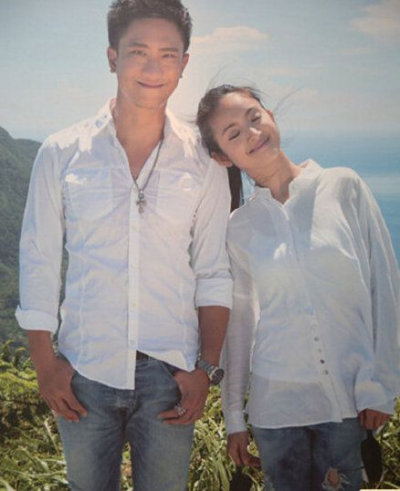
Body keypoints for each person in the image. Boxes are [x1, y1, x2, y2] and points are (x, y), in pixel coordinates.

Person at [16, 2, 233, 490]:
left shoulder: (203, 163)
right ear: (112, 57)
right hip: (84, 372)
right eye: (138, 52)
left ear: (184, 64)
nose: (153, 68)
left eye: (168, 54)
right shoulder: (61, 153)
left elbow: (214, 272)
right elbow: (39, 262)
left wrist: (205, 370)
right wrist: (46, 366)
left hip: (171, 376)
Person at [196, 84, 400, 491]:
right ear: (223, 157)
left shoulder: (343, 187)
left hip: (348, 406)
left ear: (270, 115)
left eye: (254, 117)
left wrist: (381, 386)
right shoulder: (240, 226)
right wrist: (234, 418)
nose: (252, 133)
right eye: (234, 133)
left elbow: (385, 289)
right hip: (275, 413)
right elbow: (241, 328)